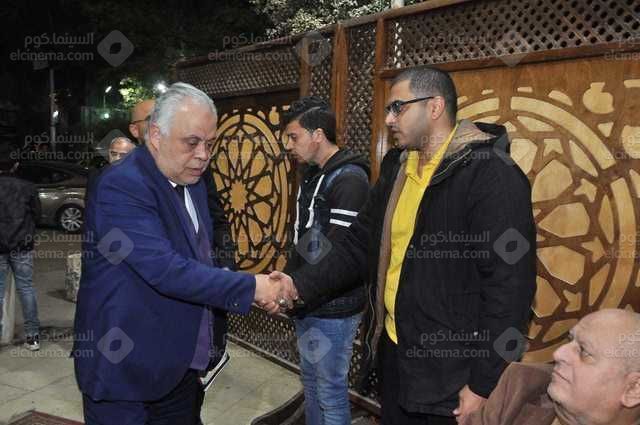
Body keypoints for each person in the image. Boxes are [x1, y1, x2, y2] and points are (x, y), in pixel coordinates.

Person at [271, 65, 537, 424]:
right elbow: (357, 244)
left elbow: (511, 289)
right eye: (388, 110)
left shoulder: (491, 174)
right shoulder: (398, 166)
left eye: (398, 108)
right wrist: (297, 285)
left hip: (453, 375)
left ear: (435, 106)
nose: (389, 119)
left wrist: (483, 383)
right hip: (396, 356)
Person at [73, 82, 294, 425]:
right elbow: (165, 269)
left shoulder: (194, 181)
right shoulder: (122, 184)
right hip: (126, 372)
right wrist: (253, 287)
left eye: (210, 144)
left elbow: (199, 258)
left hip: (180, 369)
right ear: (156, 135)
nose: (203, 154)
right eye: (192, 142)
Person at [281, 96, 370, 425]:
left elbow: (340, 254)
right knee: (311, 383)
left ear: (317, 134)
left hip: (334, 306)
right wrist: (289, 279)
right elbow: (311, 241)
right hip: (308, 299)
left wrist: (294, 287)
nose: (289, 146)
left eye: (294, 137)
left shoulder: (349, 179)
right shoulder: (314, 175)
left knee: (330, 391)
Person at [462, 309, 640, 425]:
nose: (559, 354)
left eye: (584, 352)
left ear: (633, 389)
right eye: (570, 340)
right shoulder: (523, 384)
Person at [0, 157, 41, 351]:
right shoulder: (28, 187)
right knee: (26, 288)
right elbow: (37, 215)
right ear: (15, 165)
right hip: (22, 244)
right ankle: (33, 337)